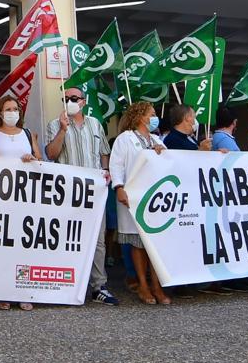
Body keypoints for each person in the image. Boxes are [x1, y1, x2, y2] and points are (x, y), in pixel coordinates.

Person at [46, 86, 118, 306]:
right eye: (66, 98)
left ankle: (98, 286)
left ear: (83, 102)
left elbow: (103, 151)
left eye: (74, 98)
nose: (69, 101)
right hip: (67, 191)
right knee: (67, 237)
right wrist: (62, 130)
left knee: (97, 239)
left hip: (93, 191)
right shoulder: (54, 125)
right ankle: (68, 284)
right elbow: (51, 154)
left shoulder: (95, 124)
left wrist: (105, 171)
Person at [0, 95, 40, 311]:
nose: (12, 112)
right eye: (8, 109)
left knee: (23, 246)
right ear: (0, 113)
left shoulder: (27, 133)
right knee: (1, 246)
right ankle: (3, 291)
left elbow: (40, 160)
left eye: (15, 108)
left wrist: (31, 159)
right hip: (0, 197)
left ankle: (22, 290)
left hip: (24, 197)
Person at [110, 102, 168, 305]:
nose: (155, 118)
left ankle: (157, 285)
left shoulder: (156, 139)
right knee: (137, 242)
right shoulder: (125, 139)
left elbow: (168, 164)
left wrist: (161, 152)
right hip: (132, 196)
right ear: (141, 117)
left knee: (154, 244)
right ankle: (143, 285)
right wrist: (119, 187)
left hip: (154, 198)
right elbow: (116, 164)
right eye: (152, 114)